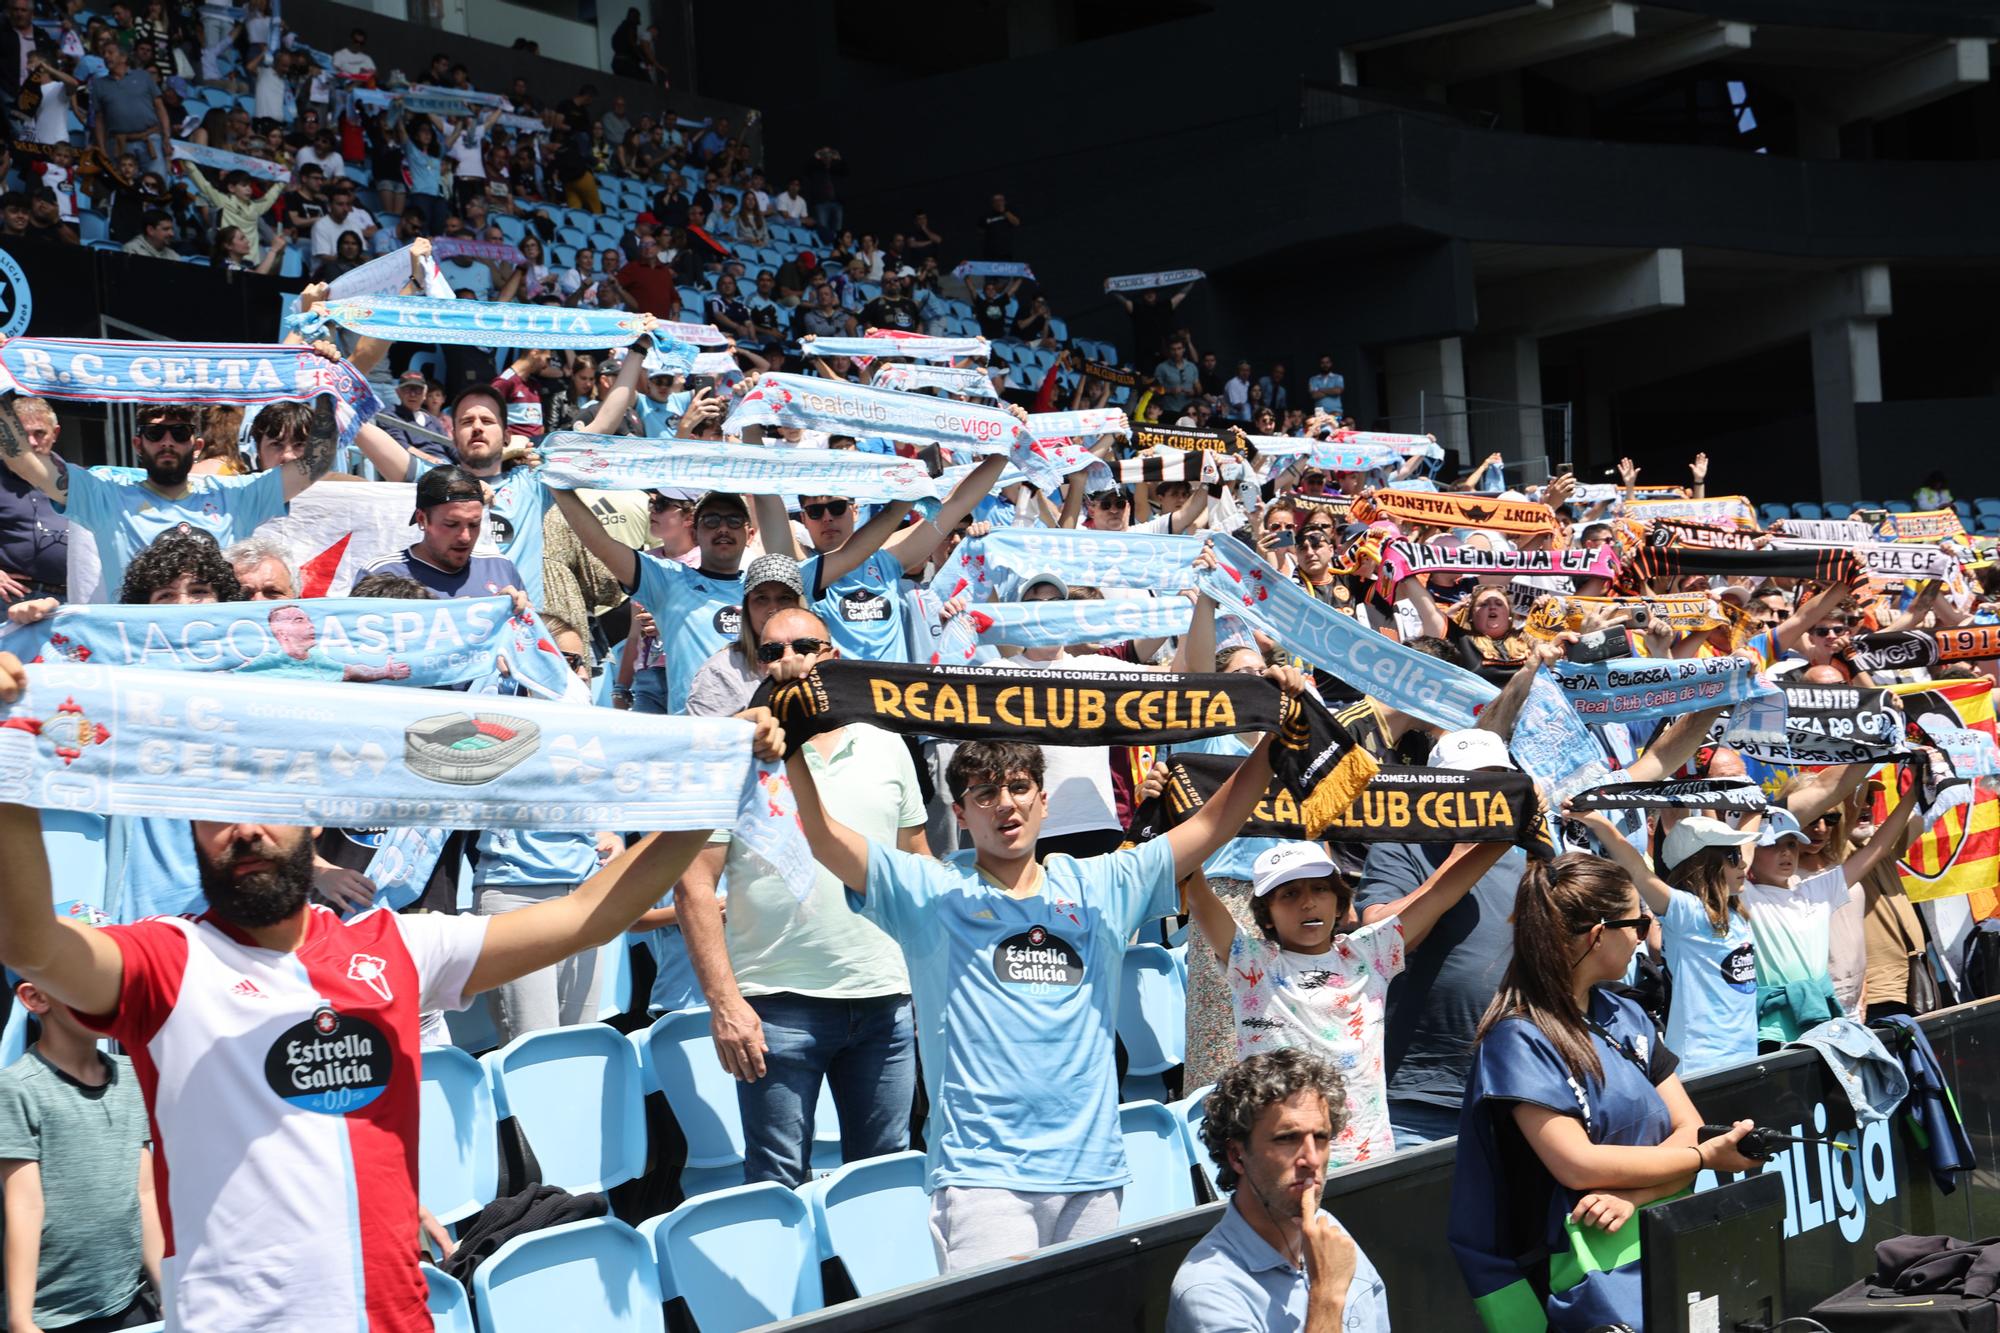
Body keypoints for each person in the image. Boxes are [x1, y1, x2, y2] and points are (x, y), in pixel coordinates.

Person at [0, 648, 780, 1332]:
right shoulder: (164, 962)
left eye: (265, 805)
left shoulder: (398, 944)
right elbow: (31, 942)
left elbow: (586, 914)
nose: (243, 829)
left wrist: (712, 784)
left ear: (312, 818)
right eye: (215, 811)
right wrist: (12, 764)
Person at [780, 658, 1315, 1271]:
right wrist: (795, 742)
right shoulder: (927, 891)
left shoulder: (1105, 882)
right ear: (960, 812)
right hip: (983, 1178)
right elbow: (823, 838)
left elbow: (1218, 820)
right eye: (984, 793)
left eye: (1017, 788)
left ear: (1043, 798)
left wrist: (1278, 730)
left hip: (1092, 1172)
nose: (1003, 805)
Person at [1449, 852, 1763, 1332]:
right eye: (1637, 921)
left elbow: (1688, 1126)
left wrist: (1636, 1195)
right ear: (1598, 933)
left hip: (1657, 1248)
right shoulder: (1517, 1038)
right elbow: (1578, 1165)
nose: (1644, 933)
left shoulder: (1628, 1014)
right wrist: (1702, 1160)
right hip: (1569, 1284)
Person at [679, 608, 926, 1187]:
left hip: (885, 999)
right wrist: (725, 1004)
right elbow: (693, 885)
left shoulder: (888, 744)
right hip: (774, 1009)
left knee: (885, 1179)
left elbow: (918, 867)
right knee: (775, 1187)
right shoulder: (735, 755)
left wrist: (928, 984)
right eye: (770, 651)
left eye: (803, 646)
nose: (786, 660)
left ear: (831, 658)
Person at [1184, 838, 1511, 1167]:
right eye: (1289, 894)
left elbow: (1442, 894)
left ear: (1340, 903)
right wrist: (1169, 816)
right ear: (1266, 915)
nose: (1308, 903)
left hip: (1370, 1160)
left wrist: (1508, 831)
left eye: (1320, 890)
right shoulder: (1252, 964)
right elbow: (1197, 894)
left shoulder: (1370, 953)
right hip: (1282, 1167)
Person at [0, 400, 328, 603]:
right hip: (137, 653)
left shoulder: (235, 494)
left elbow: (315, 463)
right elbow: (22, 461)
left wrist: (326, 388)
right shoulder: (105, 495)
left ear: (196, 444)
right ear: (138, 444)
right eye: (156, 435)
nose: (168, 442)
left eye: (180, 433)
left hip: (218, 650)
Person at [1168, 1049, 1389, 1333]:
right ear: (1237, 1155)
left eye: (1321, 1137)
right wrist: (1326, 1297)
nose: (1311, 1159)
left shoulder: (1330, 1230)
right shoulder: (1208, 1292)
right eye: (1287, 1139)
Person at [0, 974, 162, 1333]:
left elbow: (145, 1193)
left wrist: (167, 1288)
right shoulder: (16, 1088)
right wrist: (21, 1320)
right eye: (86, 979)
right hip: (51, 1316)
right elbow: (24, 1206)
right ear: (34, 997)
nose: (107, 997)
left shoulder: (131, 1077)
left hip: (128, 1302)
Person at [357, 464, 525, 600]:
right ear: (422, 520)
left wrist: (512, 613)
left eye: (474, 524)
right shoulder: (381, 574)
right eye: (451, 524)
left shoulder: (501, 568)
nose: (465, 537)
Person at [0, 396, 68, 602]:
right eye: (21, 434)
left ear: (55, 433)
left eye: (39, 433)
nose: (30, 443)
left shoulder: (78, 480)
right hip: (12, 601)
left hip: (73, 602)